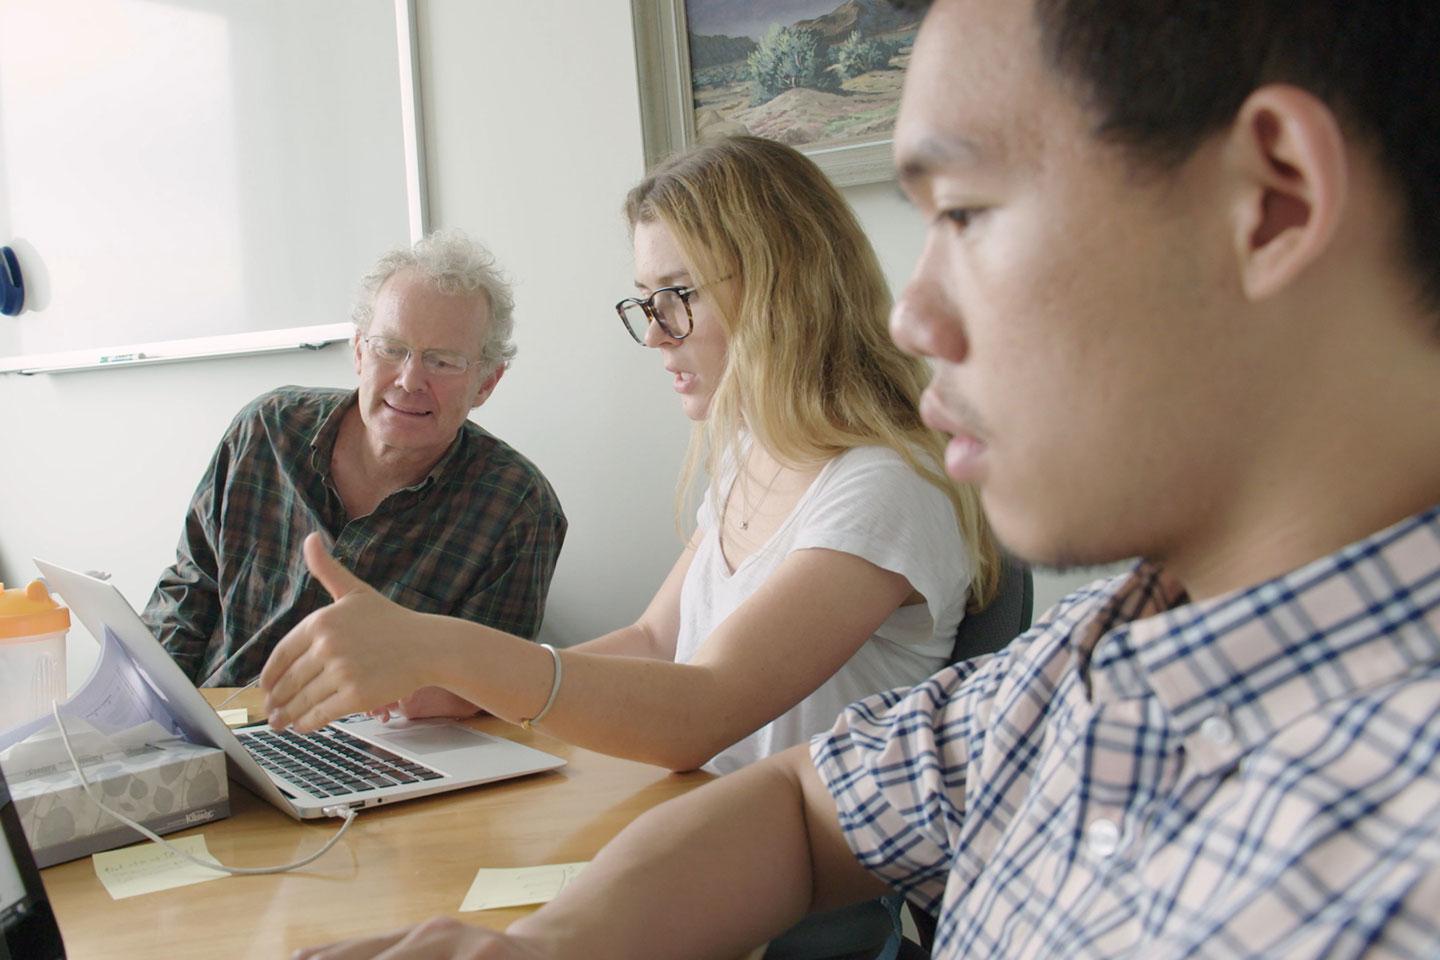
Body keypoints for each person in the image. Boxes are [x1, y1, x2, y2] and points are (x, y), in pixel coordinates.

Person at [293, 0, 1440, 956]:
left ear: (1272, 202)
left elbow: (709, 709)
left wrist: (452, 652)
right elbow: (797, 799)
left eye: (970, 214)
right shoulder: (1074, 665)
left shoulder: (1387, 869)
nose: (912, 312)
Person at [260, 135, 999, 782]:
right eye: (647, 302)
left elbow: (700, 711)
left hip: (786, 896)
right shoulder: (754, 454)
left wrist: (444, 648)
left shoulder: (885, 487)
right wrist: (458, 686)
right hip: (708, 829)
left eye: (677, 296)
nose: (655, 335)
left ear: (783, 288)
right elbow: (654, 641)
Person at [144, 230, 567, 723]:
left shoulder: (516, 508)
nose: (410, 380)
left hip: (372, 757)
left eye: (443, 361)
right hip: (211, 725)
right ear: (360, 352)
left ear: (486, 383)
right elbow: (188, 590)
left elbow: (487, 694)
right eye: (391, 349)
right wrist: (154, 717)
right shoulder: (266, 431)